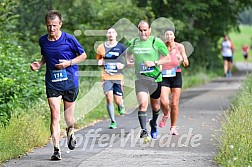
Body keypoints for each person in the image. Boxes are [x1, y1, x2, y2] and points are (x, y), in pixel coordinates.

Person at [30, 10, 87, 160]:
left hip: (69, 82)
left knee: (69, 118)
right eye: (49, 26)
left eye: (55, 25)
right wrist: (40, 64)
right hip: (52, 82)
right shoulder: (43, 40)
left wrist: (69, 63)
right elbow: (46, 56)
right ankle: (56, 150)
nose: (52, 29)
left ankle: (71, 132)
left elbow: (83, 55)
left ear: (60, 24)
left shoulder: (69, 39)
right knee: (55, 115)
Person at [126, 20, 171, 140]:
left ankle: (153, 124)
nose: (143, 33)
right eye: (140, 30)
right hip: (140, 78)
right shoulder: (134, 42)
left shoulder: (156, 42)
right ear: (138, 30)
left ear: (149, 30)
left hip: (155, 79)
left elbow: (167, 58)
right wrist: (129, 61)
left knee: (156, 107)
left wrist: (155, 62)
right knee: (143, 104)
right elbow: (128, 53)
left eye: (145, 30)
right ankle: (144, 130)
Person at [158, 28, 189, 135]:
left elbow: (186, 63)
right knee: (163, 101)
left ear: (174, 36)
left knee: (174, 103)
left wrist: (182, 59)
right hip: (164, 76)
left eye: (171, 34)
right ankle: (166, 114)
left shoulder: (180, 47)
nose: (169, 36)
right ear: (165, 37)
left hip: (176, 75)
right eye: (167, 35)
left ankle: (173, 127)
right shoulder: (160, 47)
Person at [96, 27, 126, 129]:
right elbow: (99, 60)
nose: (111, 34)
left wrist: (123, 65)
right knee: (109, 98)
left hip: (118, 76)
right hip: (106, 76)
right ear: (106, 35)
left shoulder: (121, 47)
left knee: (118, 100)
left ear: (116, 34)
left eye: (113, 32)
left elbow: (129, 60)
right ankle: (113, 121)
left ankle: (121, 105)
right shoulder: (101, 47)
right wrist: (100, 62)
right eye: (109, 33)